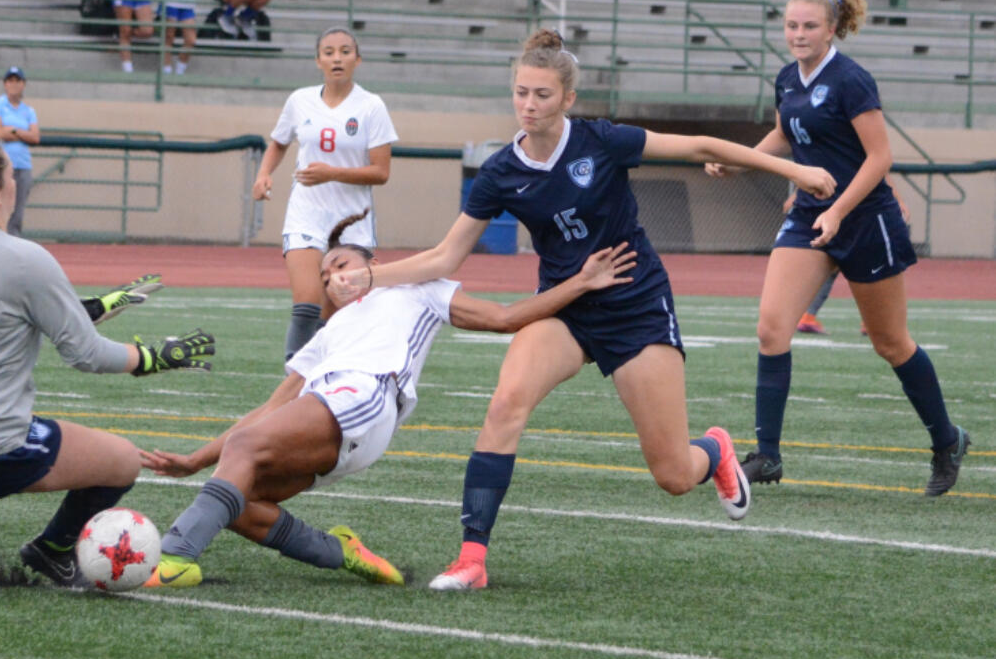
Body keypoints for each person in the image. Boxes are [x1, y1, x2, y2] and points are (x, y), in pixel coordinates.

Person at [327, 29, 838, 591]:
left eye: (542, 95)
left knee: (672, 473)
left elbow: (700, 147)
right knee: (505, 403)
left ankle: (713, 449)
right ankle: (471, 558)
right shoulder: (502, 171)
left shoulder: (602, 141)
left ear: (568, 99)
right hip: (566, 309)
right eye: (521, 93)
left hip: (635, 306)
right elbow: (447, 254)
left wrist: (796, 172)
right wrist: (369, 277)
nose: (528, 105)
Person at [139, 211, 639, 588]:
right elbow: (271, 410)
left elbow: (504, 317)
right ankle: (340, 551)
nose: (333, 277)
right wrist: (195, 460)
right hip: (340, 418)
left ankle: (175, 557)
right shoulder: (326, 338)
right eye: (326, 277)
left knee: (245, 450)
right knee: (241, 501)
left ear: (372, 264)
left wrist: (579, 282)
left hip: (367, 394)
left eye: (341, 264)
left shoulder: (416, 288)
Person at [0, 136, 216, 586]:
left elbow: (15, 310)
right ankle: (51, 550)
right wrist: (155, 357)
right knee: (122, 462)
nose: (16, 182)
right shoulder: (23, 257)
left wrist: (96, 305)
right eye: (11, 174)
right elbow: (86, 354)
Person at [706, 0, 969, 494]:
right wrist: (743, 162)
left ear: (831, 31)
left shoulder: (851, 80)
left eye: (809, 26)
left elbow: (880, 158)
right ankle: (770, 456)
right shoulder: (786, 78)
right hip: (809, 214)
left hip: (865, 218)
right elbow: (786, 132)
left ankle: (946, 439)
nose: (798, 34)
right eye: (790, 25)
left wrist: (840, 209)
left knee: (891, 343)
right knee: (770, 329)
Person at [252, 27, 397, 362]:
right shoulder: (299, 100)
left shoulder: (371, 106)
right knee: (307, 301)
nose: (337, 58)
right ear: (318, 60)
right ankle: (294, 377)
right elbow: (278, 142)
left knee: (339, 309)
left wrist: (331, 173)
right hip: (307, 213)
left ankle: (328, 377)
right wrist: (263, 175)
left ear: (357, 60)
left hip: (352, 220)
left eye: (345, 51)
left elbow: (381, 172)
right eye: (329, 52)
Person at [792, 178, 911, 336]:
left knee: (836, 267)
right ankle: (870, 322)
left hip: (833, 209)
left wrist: (795, 196)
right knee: (871, 267)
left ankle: (808, 316)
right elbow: (880, 170)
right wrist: (898, 200)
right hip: (855, 211)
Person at [0, 66, 39, 237]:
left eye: (17, 81)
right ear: (5, 84)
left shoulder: (29, 111)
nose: (14, 84)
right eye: (10, 81)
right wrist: (23, 133)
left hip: (22, 165)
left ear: (23, 84)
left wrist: (13, 131)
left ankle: (13, 244)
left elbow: (35, 137)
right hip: (1, 165)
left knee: (17, 211)